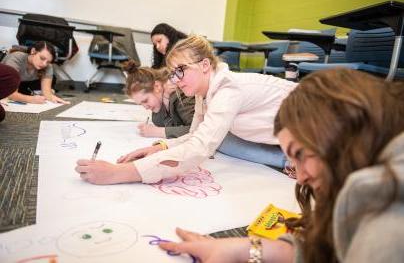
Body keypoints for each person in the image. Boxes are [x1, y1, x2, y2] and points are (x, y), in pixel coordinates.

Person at [157, 68, 404, 263]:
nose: (299, 178)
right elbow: (334, 251)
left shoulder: (389, 222)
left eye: (301, 154)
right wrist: (245, 248)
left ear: (343, 133)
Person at [75, 35, 296, 184]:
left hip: (320, 128)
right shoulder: (204, 92)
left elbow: (200, 148)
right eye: (172, 73)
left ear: (205, 65)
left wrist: (119, 173)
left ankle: (296, 159)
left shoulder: (228, 89)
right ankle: (291, 157)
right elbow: (195, 134)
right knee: (220, 139)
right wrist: (159, 148)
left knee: (216, 141)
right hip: (287, 136)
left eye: (180, 71)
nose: (176, 80)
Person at [124, 60, 195, 138]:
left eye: (145, 101)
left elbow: (199, 129)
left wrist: (158, 132)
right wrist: (166, 101)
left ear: (157, 86)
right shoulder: (161, 98)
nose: (146, 107)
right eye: (141, 104)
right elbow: (157, 120)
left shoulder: (179, 93)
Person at [1, 41, 69, 104]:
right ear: (33, 51)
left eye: (48, 62)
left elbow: (47, 93)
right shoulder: (16, 58)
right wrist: (30, 99)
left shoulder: (48, 66)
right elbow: (10, 94)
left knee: (53, 78)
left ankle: (31, 92)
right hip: (4, 84)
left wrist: (53, 98)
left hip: (24, 83)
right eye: (42, 58)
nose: (44, 64)